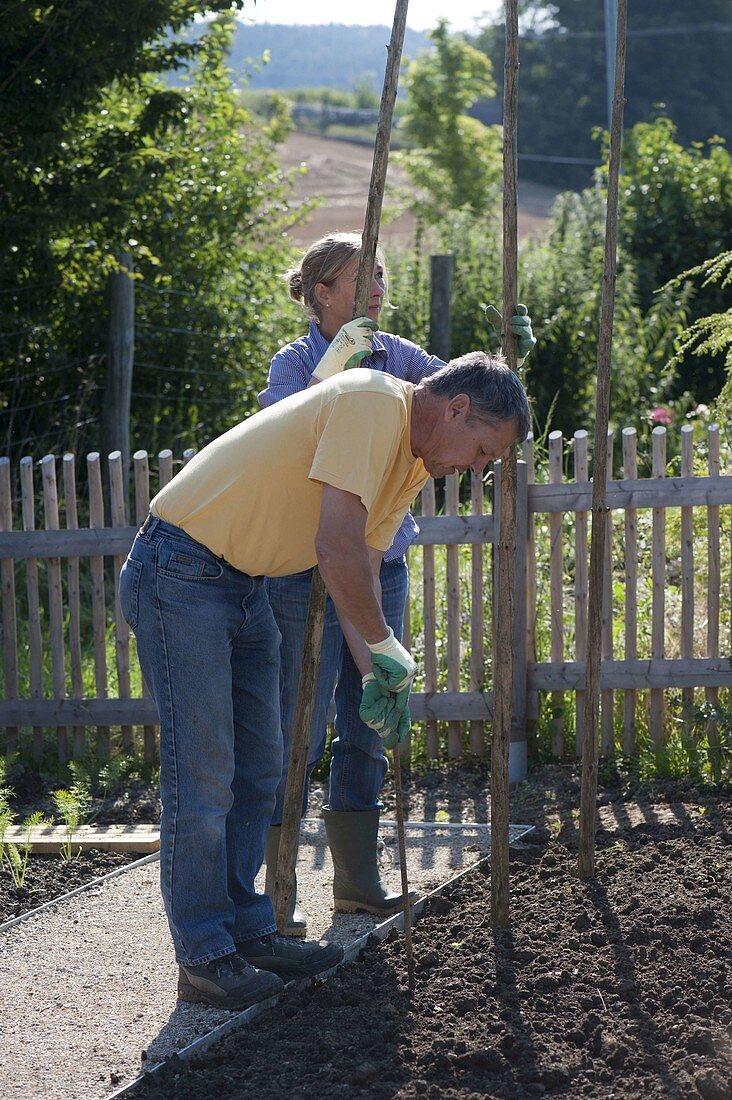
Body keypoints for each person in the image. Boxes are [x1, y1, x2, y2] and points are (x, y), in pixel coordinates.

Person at [119, 351, 530, 1011]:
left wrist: (381, 680)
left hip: (242, 584)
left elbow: (361, 572)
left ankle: (248, 932)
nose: (477, 470)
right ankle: (203, 956)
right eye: (482, 450)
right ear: (456, 408)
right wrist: (384, 648)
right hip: (179, 570)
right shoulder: (372, 403)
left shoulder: (410, 465)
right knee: (203, 776)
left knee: (262, 769)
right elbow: (334, 548)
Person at [258, 231, 535, 935]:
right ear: (323, 294)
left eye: (381, 274)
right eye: (362, 278)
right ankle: (278, 890)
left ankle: (356, 880)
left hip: (380, 561)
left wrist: (510, 355)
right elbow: (283, 435)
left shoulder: (401, 357)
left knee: (367, 717)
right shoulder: (292, 362)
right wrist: (332, 371)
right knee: (301, 722)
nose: (378, 288)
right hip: (304, 564)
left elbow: (469, 398)